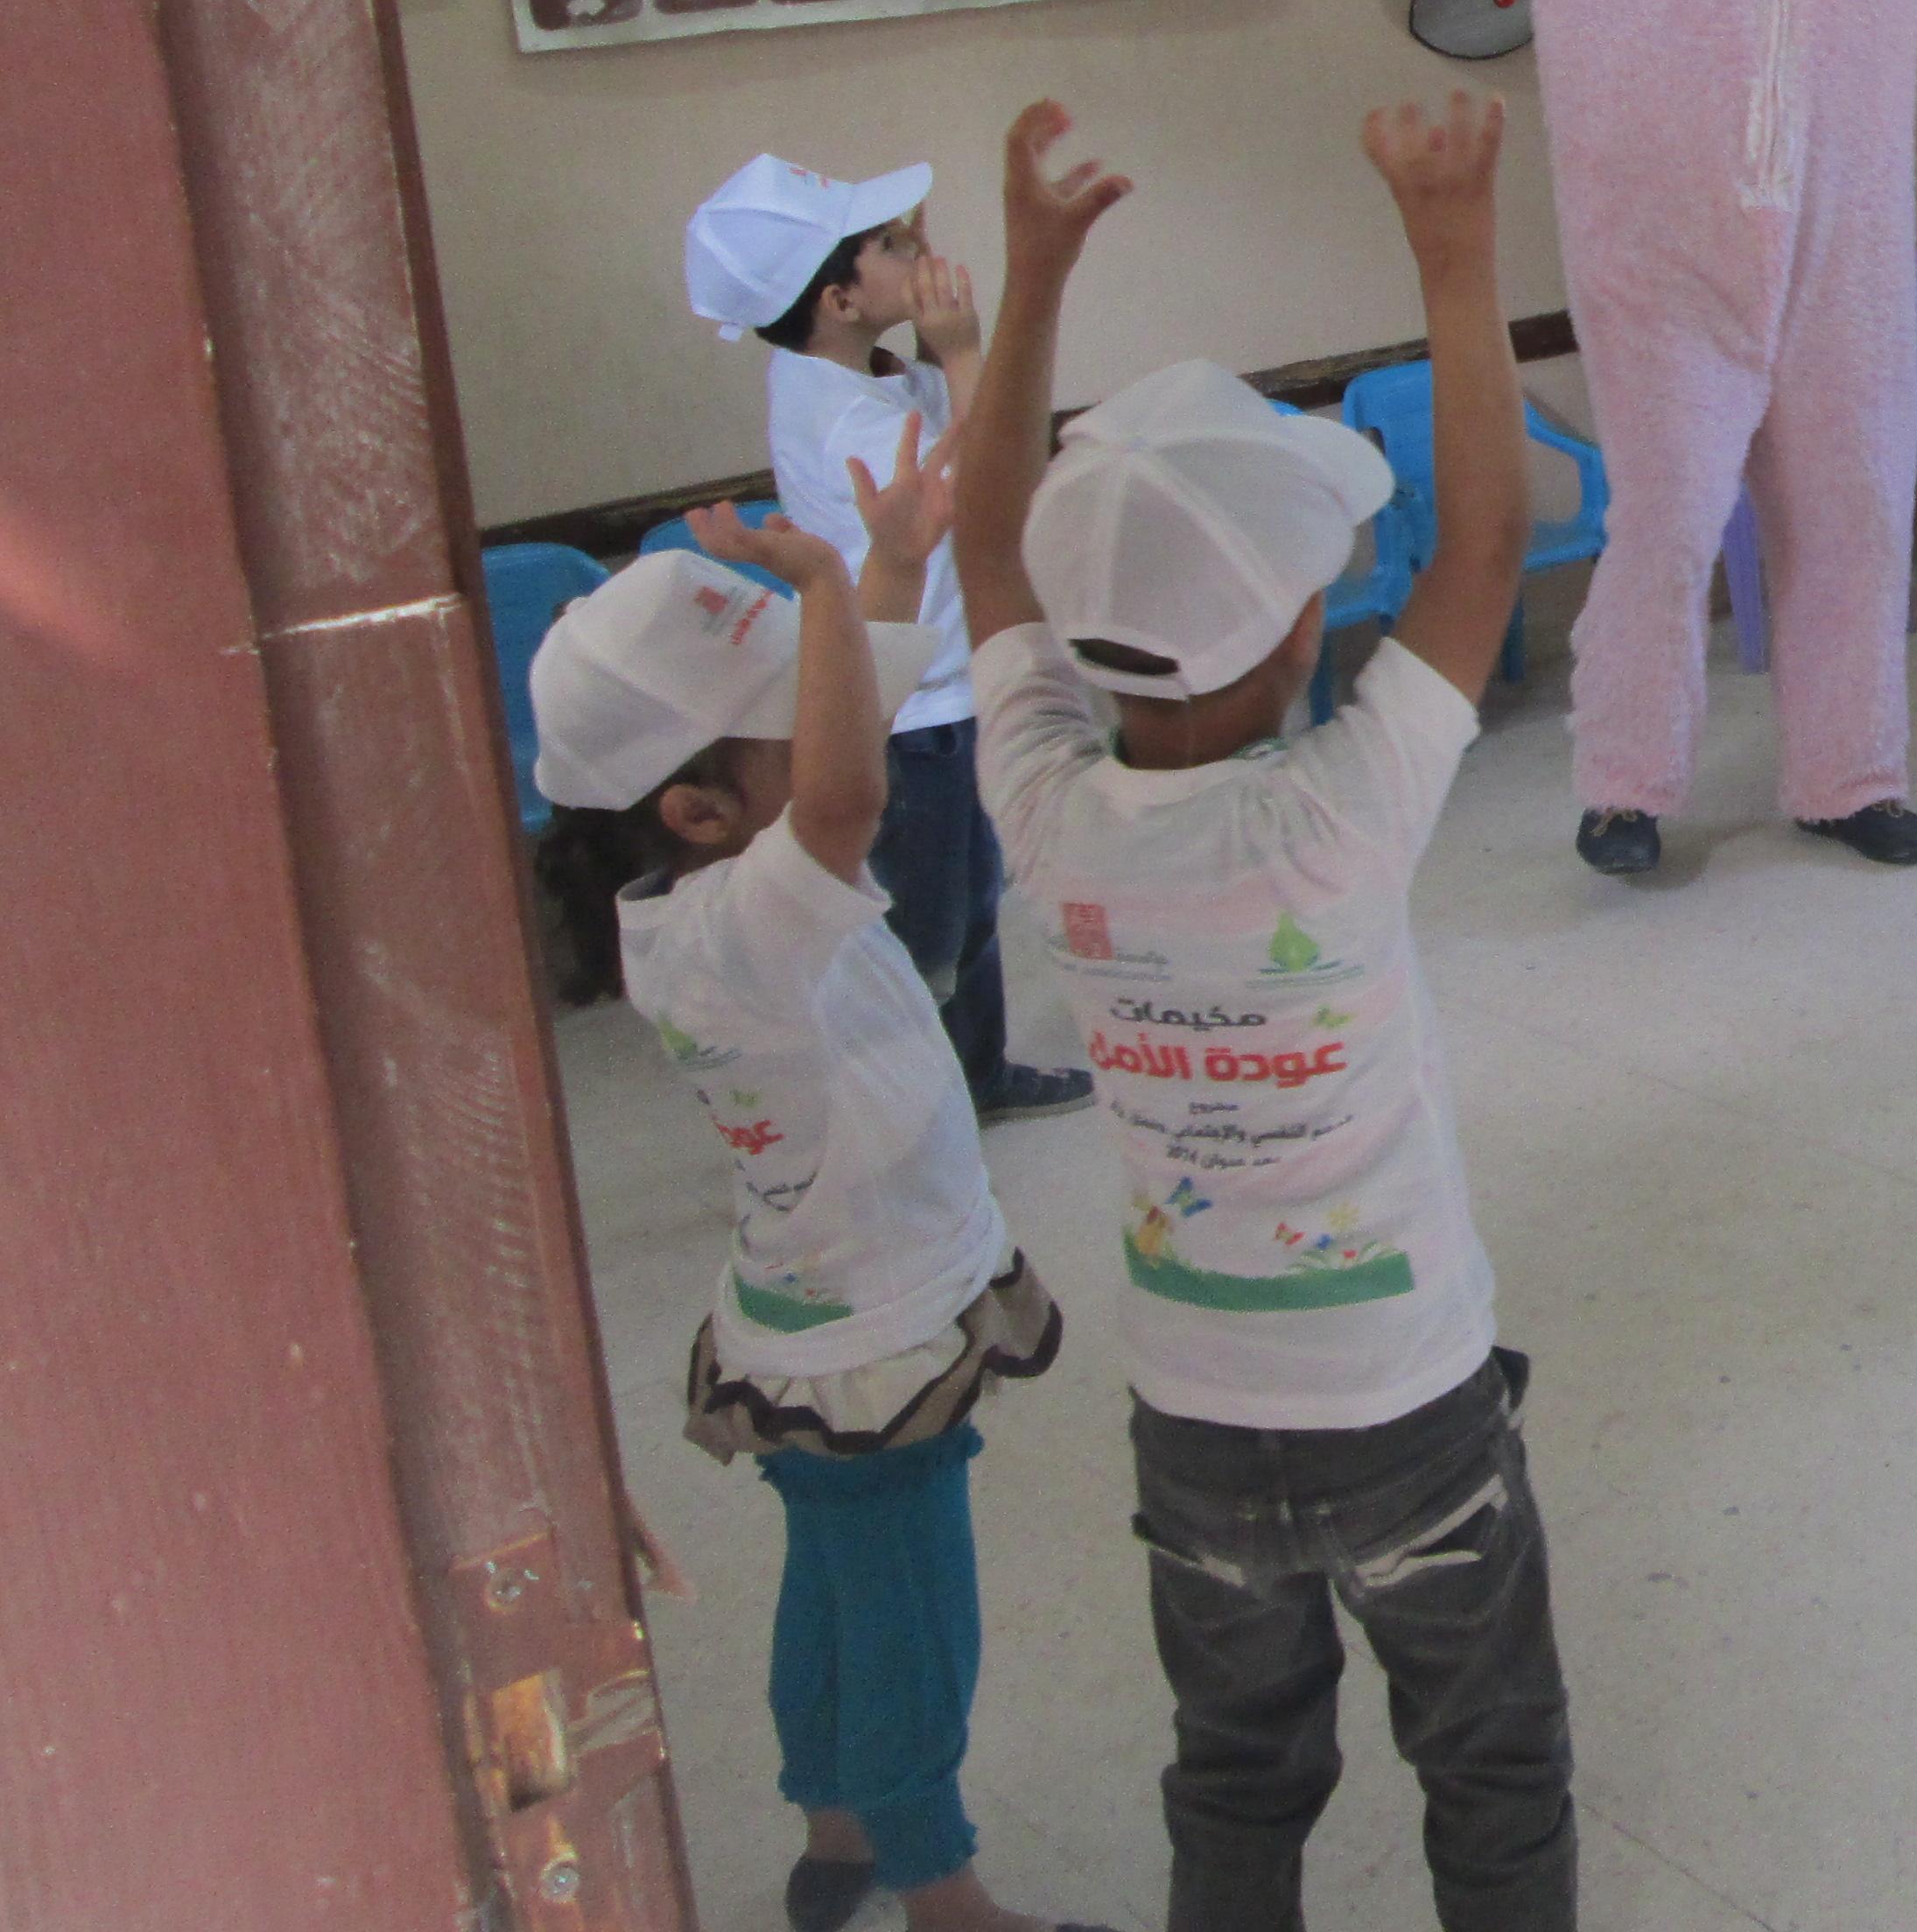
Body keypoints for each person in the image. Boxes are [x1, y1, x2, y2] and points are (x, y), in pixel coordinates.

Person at [951, 96, 1574, 1932]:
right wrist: (1454, 248)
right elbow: (1488, 542)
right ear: (1304, 631)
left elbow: (983, 557)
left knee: (1232, 1778)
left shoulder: (1046, 809)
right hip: (1408, 1408)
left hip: (1194, 1419)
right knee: (1492, 1772)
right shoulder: (1333, 820)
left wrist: (1030, 279)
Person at [530, 431, 1084, 1932]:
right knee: (912, 1617)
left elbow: (846, 730)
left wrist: (888, 568)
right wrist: (833, 586)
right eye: (790, 720)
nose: (837, 730)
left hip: (805, 1316)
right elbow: (843, 790)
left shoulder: (695, 895)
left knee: (833, 1587)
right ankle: (941, 1890)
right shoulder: (743, 932)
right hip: (873, 1333)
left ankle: (835, 1831)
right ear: (701, 808)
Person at [684, 150, 1089, 1123]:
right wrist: (965, 351)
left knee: (971, 899)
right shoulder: (850, 423)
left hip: (936, 685)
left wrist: (928, 340)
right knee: (933, 926)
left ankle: (975, 1075)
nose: (922, 252)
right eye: (894, 245)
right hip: (920, 710)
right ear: (838, 299)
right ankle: (915, 1106)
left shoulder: (846, 371)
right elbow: (999, 480)